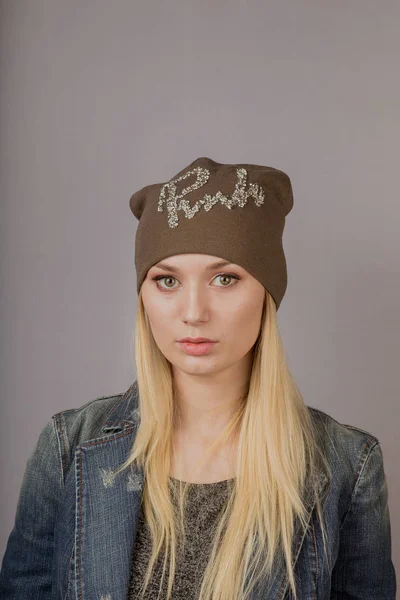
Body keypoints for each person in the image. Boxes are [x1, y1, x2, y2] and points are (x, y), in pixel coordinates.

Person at [0, 157, 396, 600]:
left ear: (267, 294)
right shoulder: (68, 446)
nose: (193, 312)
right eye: (166, 280)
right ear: (143, 296)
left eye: (225, 279)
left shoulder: (347, 465)